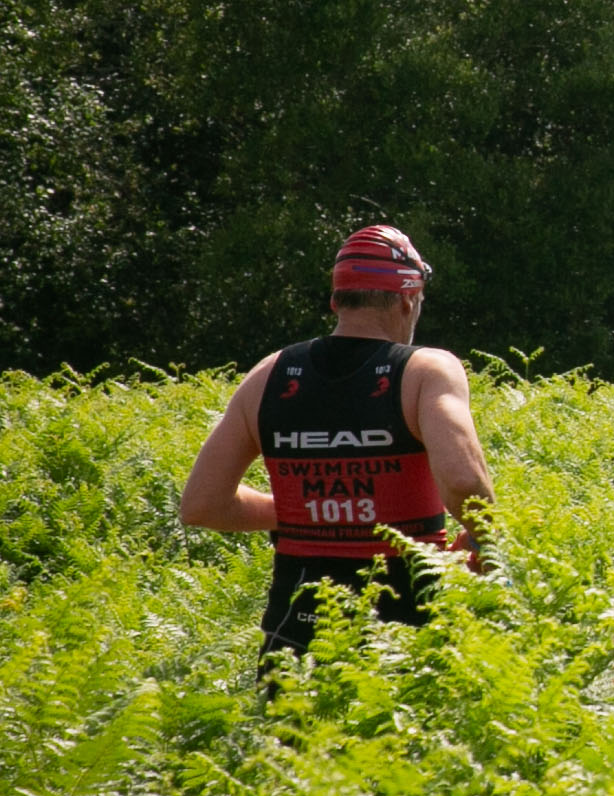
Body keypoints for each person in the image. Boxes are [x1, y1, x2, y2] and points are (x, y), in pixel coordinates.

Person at [177, 224, 496, 664]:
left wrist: (311, 510)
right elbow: (462, 482)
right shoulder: (425, 371)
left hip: (296, 635)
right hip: (407, 631)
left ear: (336, 301)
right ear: (408, 299)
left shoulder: (268, 375)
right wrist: (484, 540)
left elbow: (201, 505)